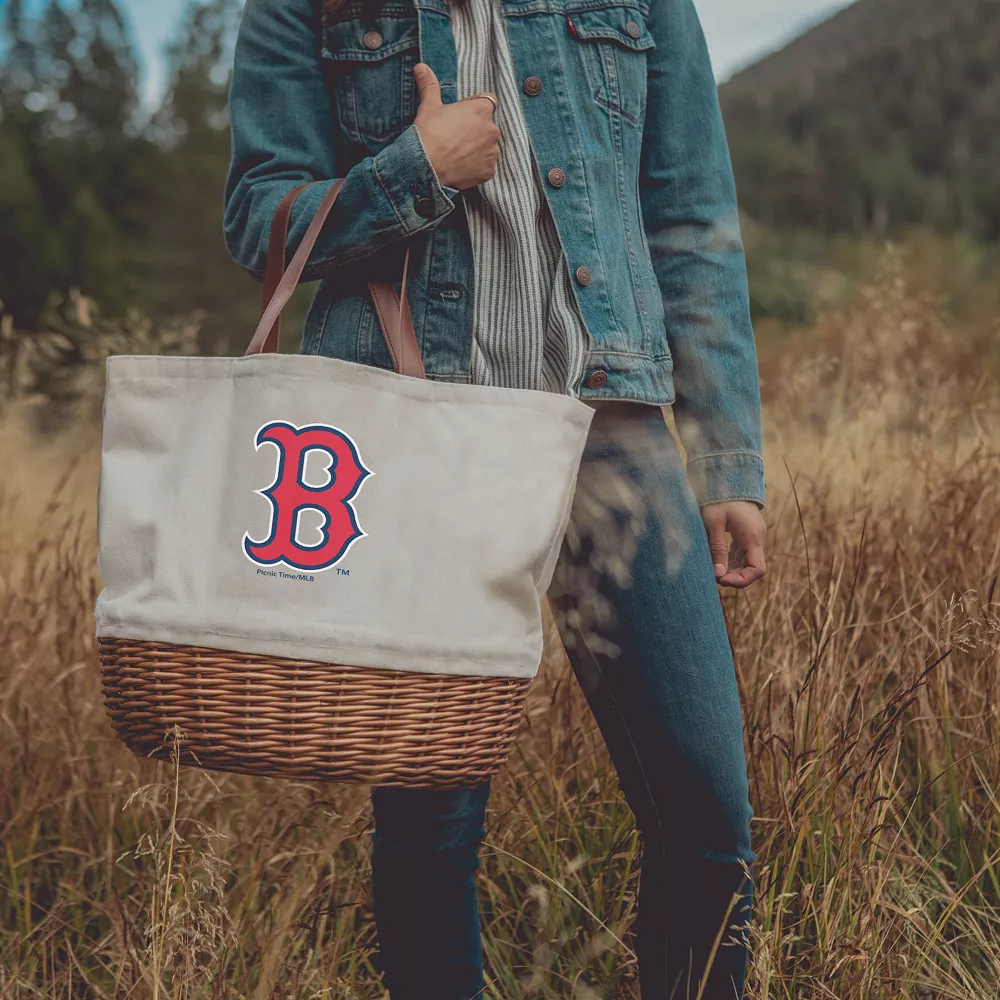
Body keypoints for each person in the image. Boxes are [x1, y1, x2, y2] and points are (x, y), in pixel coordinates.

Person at [224, 0, 768, 995]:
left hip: (613, 436)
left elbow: (687, 214)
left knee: (706, 814)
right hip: (419, 438)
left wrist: (728, 455)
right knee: (430, 827)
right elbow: (258, 213)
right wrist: (411, 172)